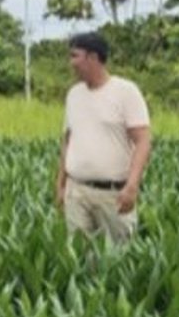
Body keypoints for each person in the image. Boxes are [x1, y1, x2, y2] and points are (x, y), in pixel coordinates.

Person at [55, 32, 152, 242]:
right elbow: (68, 141)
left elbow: (143, 141)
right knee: (80, 259)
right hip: (77, 191)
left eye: (75, 56)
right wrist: (61, 184)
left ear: (92, 57)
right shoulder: (74, 94)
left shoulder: (125, 91)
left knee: (120, 257)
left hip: (112, 194)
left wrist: (132, 186)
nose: (71, 63)